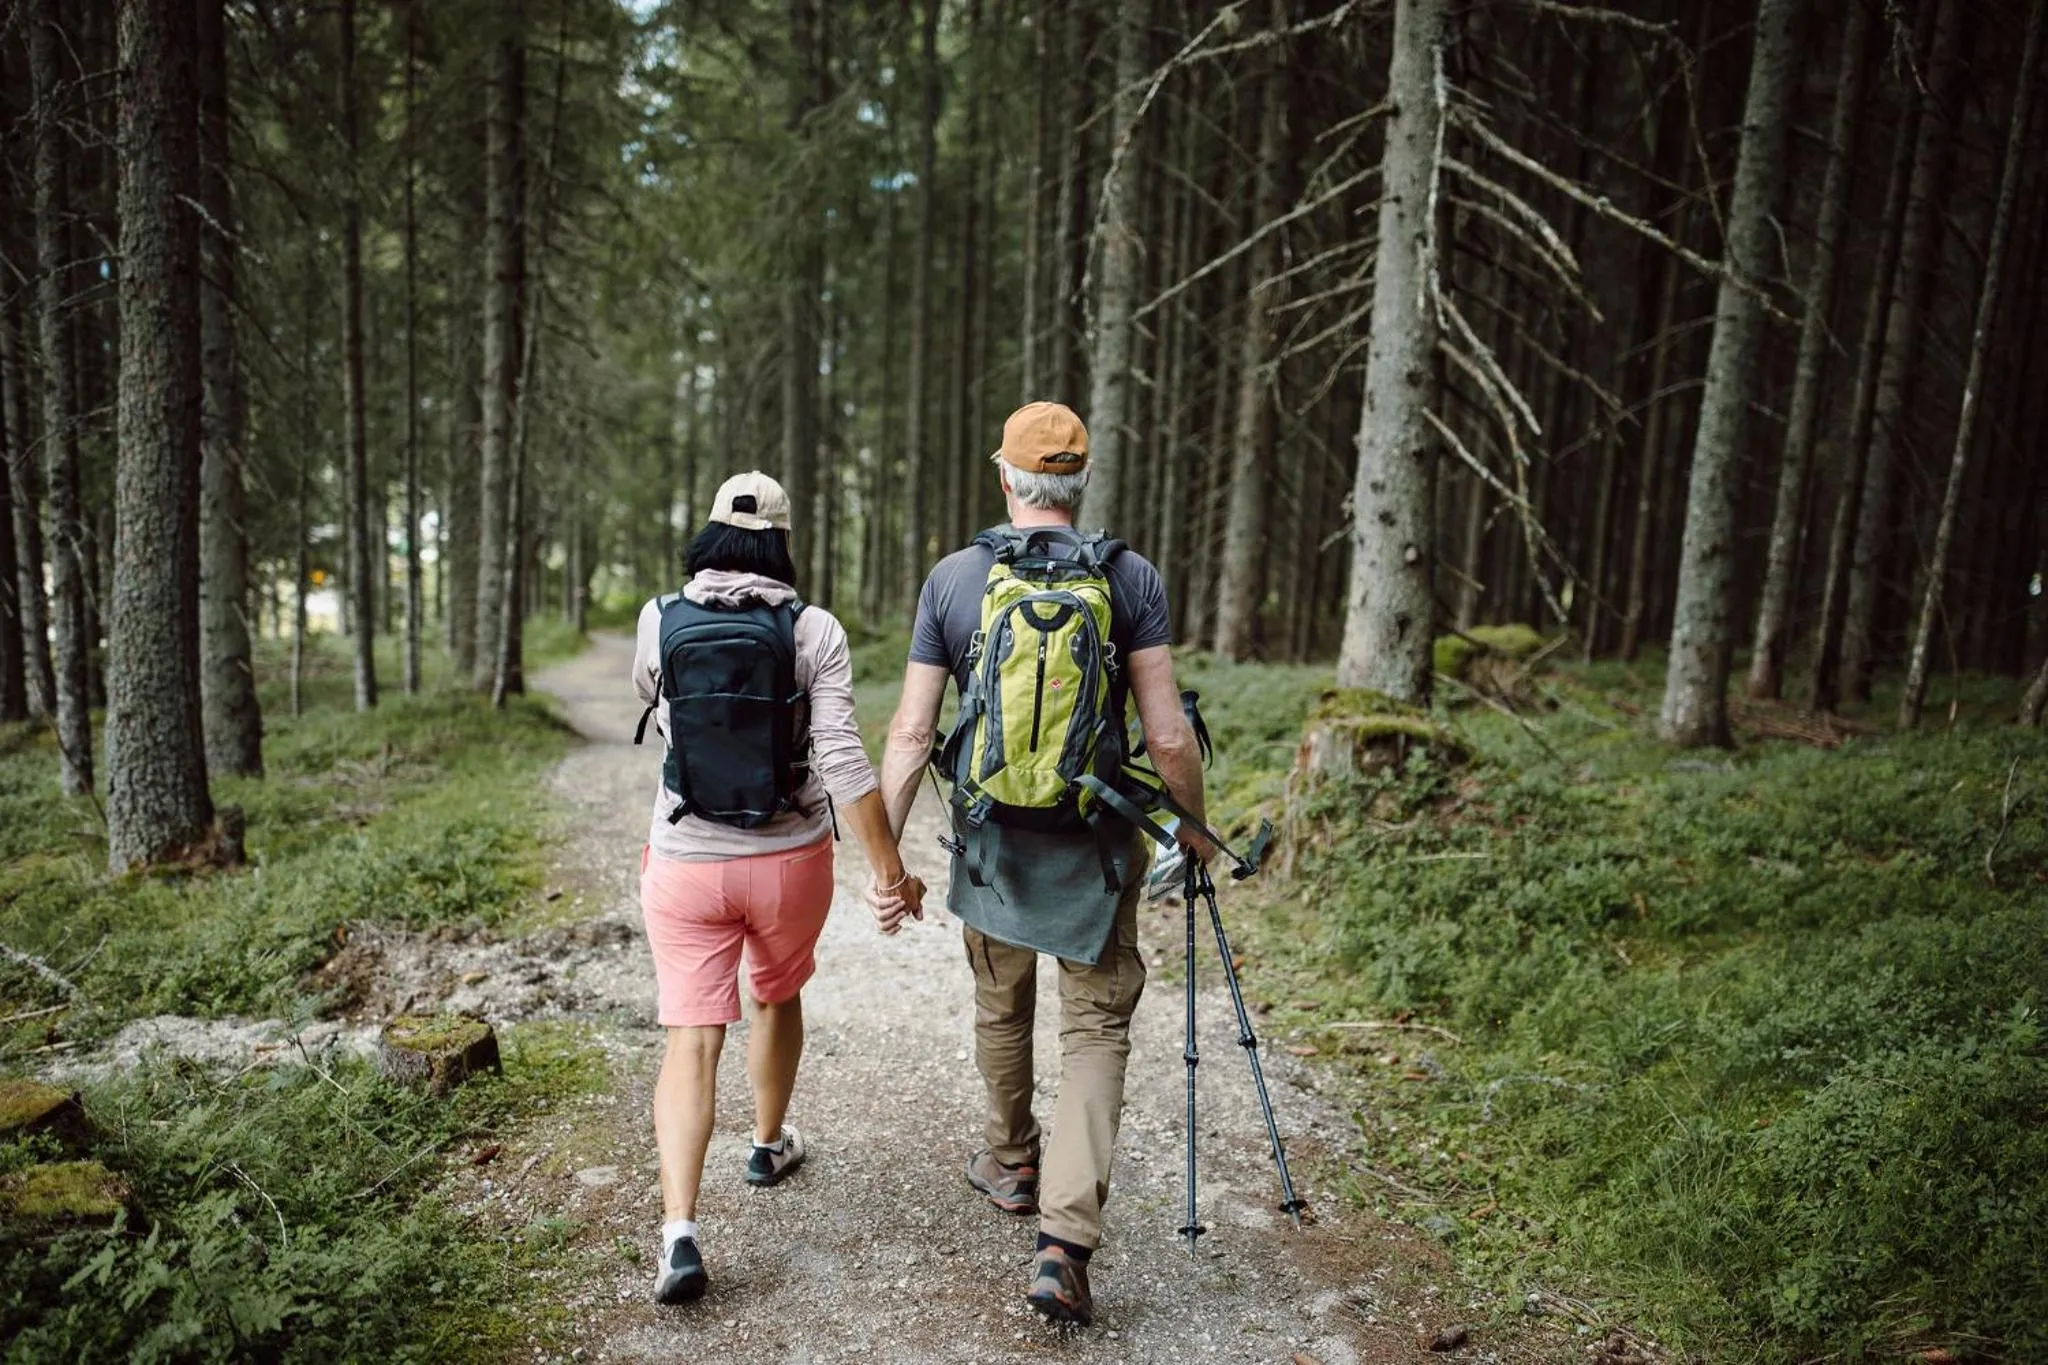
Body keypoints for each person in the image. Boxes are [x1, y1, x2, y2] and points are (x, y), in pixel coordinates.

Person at [874, 402, 1210, 1327]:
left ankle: (1010, 1158)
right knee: (1096, 1029)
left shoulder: (956, 578)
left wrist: (884, 858)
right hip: (1096, 846)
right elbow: (1167, 732)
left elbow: (909, 734)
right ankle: (1063, 1244)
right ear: (1080, 481)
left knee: (1000, 1000)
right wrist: (1194, 827)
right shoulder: (1128, 576)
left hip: (991, 846)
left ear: (1007, 479)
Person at [633, 471, 925, 1305]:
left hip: (685, 857)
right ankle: (766, 1144)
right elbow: (841, 759)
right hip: (789, 859)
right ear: (782, 544)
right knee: (776, 991)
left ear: (712, 534)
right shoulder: (814, 629)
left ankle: (680, 1235)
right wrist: (888, 873)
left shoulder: (659, 618)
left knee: (692, 1039)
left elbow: (657, 719)